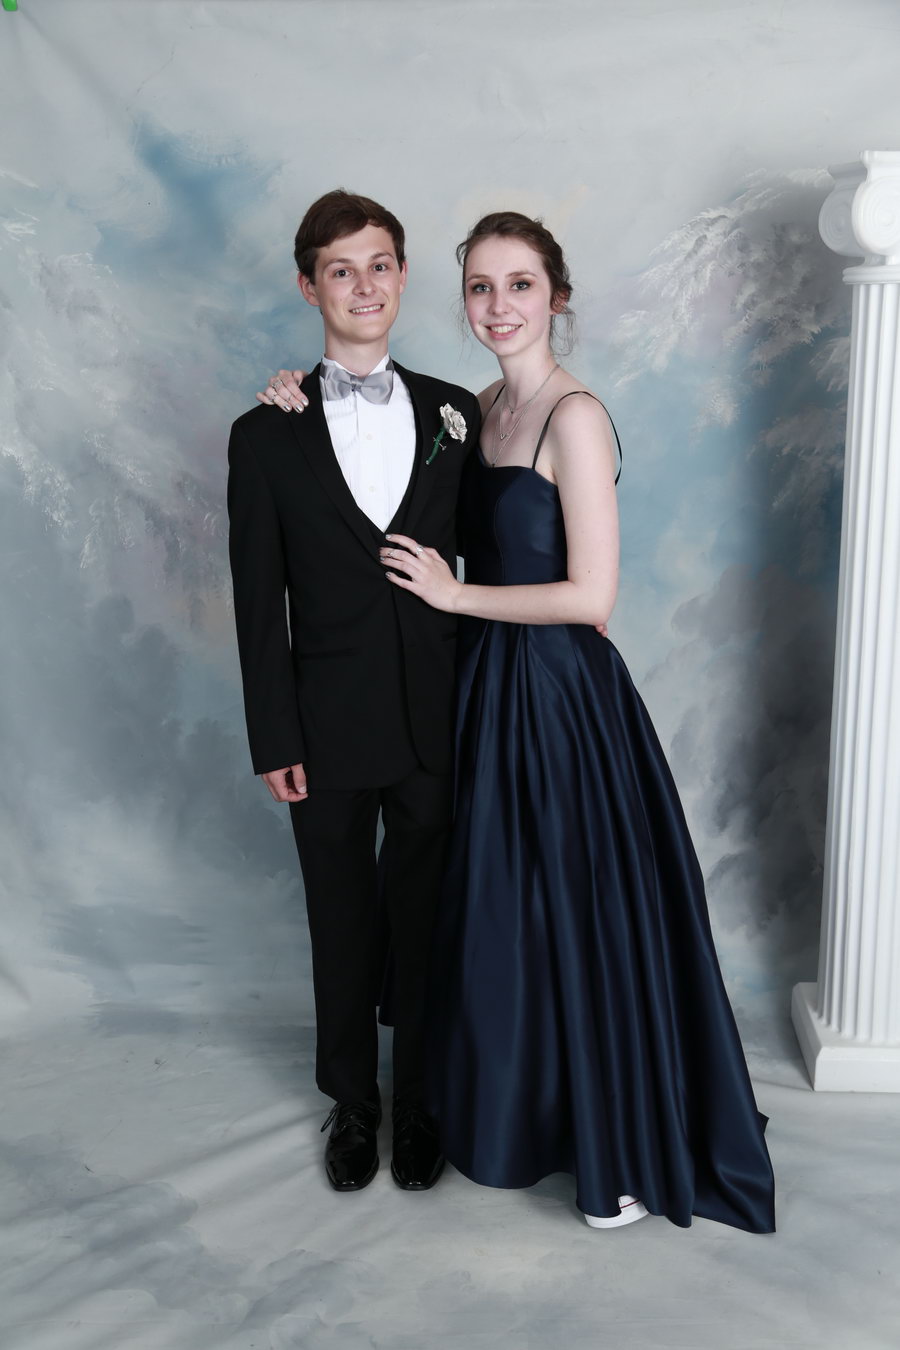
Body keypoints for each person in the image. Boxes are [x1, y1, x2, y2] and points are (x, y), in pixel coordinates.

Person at [258, 212, 776, 1234]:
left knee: (573, 914)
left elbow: (592, 595)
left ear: (557, 296)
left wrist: (458, 599)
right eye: (481, 287)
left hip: (555, 693)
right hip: (477, 688)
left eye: (520, 285)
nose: (499, 306)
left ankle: (617, 1145)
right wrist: (294, 399)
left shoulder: (574, 417)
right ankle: (519, 1111)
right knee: (503, 916)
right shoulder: (475, 409)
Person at [228, 190, 480, 1195]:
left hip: (434, 715)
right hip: (322, 726)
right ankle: (353, 1099)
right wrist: (273, 736)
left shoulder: (457, 413)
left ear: (403, 276)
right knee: (340, 920)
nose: (363, 285)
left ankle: (417, 1100)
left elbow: (489, 556)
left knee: (426, 916)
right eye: (341, 269)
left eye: (379, 265)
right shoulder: (266, 433)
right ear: (310, 287)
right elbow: (258, 603)